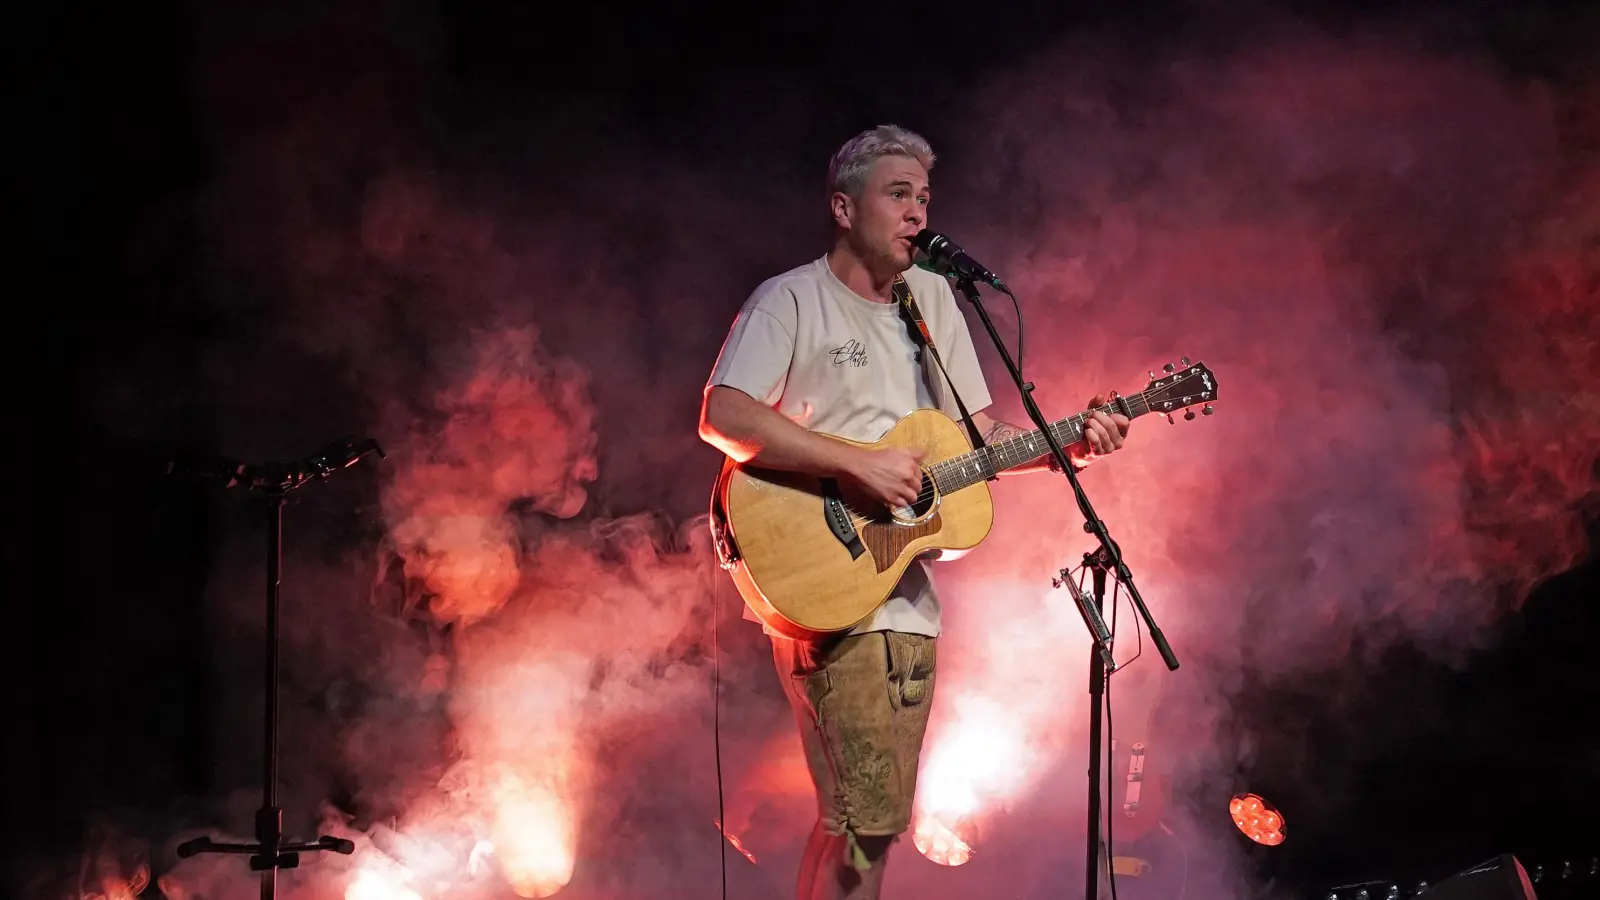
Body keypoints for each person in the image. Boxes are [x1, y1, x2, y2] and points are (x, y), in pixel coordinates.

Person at [697, 124, 1132, 900]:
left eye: (924, 197)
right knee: (864, 818)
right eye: (898, 194)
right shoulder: (791, 300)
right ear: (843, 206)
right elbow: (723, 412)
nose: (916, 212)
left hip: (907, 601)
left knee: (868, 825)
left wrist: (1071, 444)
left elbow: (979, 436)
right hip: (823, 583)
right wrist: (855, 462)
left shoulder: (932, 299)